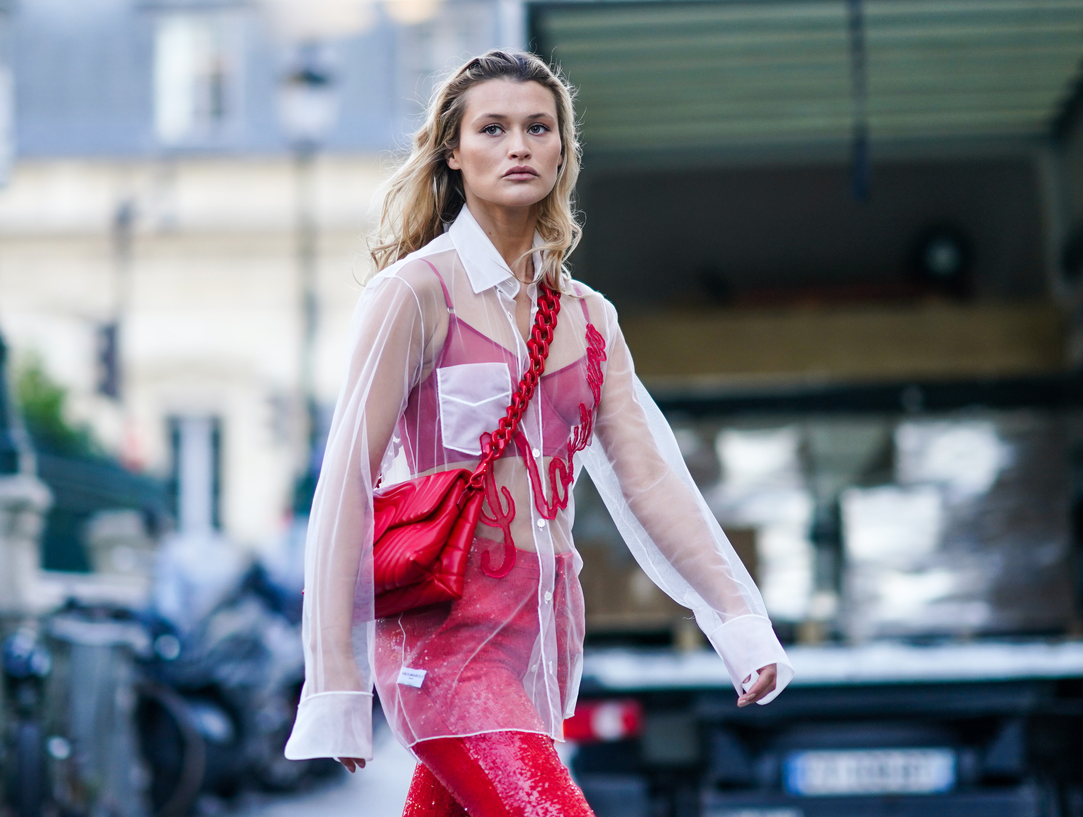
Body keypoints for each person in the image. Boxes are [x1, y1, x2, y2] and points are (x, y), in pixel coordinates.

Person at [284, 50, 794, 817]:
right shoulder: (414, 296)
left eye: (537, 127)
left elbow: (651, 479)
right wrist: (333, 680)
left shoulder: (589, 318)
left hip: (538, 660)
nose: (518, 145)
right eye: (493, 128)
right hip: (444, 654)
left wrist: (738, 619)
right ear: (454, 152)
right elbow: (345, 487)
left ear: (563, 151)